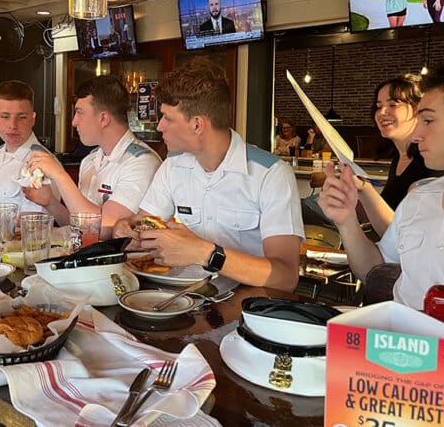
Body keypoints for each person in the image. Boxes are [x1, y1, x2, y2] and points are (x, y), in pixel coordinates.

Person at [318, 55, 444, 310]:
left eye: (429, 120)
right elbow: (374, 268)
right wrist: (346, 222)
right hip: (400, 345)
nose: (418, 134)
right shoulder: (422, 196)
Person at [113, 60, 303, 290]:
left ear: (197, 125)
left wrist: (205, 253)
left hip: (246, 310)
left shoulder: (271, 175)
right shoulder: (172, 166)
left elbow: (285, 277)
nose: (159, 126)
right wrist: (124, 228)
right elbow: (143, 220)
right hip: (180, 298)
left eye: (167, 118)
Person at [24, 75, 161, 239]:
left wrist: (60, 175)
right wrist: (50, 203)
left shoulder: (142, 162)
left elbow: (103, 230)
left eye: (79, 113)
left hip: (123, 262)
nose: (74, 122)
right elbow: (79, 226)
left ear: (103, 119)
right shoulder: (90, 161)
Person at [355, 74, 441, 236]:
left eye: (393, 104)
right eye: (378, 106)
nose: (382, 112)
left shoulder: (431, 163)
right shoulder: (399, 157)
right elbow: (391, 212)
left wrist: (365, 191)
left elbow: (403, 237)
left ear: (418, 110)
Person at [0, 81, 61, 213]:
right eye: (5, 116)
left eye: (21, 117)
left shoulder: (44, 163)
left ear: (33, 119)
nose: (12, 125)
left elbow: (37, 223)